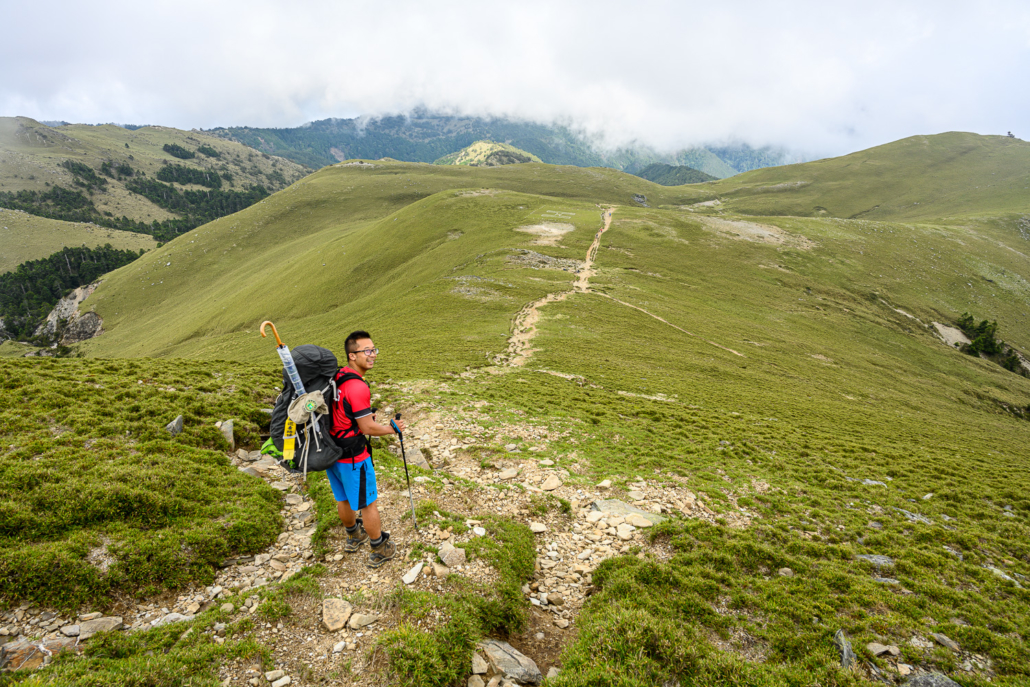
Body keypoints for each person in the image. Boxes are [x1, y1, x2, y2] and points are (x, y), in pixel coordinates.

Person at [325, 330, 404, 568]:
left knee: (343, 497)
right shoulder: (358, 387)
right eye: (367, 351)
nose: (372, 355)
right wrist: (393, 428)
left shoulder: (337, 377)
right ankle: (379, 547)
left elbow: (343, 412)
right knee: (368, 503)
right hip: (353, 456)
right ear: (352, 355)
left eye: (374, 350)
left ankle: (353, 535)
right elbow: (368, 427)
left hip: (333, 451)